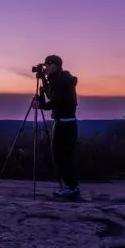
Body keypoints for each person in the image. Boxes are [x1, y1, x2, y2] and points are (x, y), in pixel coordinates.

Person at [32, 54, 80, 199]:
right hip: (69, 123)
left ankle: (71, 188)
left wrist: (40, 105)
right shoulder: (62, 79)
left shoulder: (59, 81)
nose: (45, 69)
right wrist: (44, 80)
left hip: (64, 124)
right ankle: (72, 186)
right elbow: (51, 94)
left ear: (53, 66)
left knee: (60, 157)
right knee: (66, 157)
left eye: (46, 66)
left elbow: (55, 102)